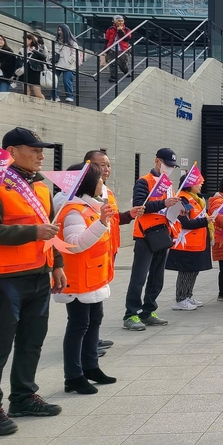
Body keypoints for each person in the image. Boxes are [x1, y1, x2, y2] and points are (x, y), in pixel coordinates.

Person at [0, 127, 66, 436]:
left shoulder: (42, 187)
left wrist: (57, 264)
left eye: (41, 149)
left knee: (32, 341)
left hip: (38, 274)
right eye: (32, 149)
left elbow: (50, 230)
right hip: (4, 278)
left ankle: (22, 397)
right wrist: (32, 233)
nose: (40, 154)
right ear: (10, 151)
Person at [53, 162, 117, 395]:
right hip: (79, 279)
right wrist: (101, 224)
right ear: (89, 183)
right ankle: (73, 375)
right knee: (78, 325)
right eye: (100, 179)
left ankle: (91, 367)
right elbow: (75, 244)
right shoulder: (74, 211)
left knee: (94, 321)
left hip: (94, 277)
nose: (103, 182)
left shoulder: (91, 207)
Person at [83, 149, 143, 357]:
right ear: (88, 166)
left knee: (97, 301)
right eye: (101, 165)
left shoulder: (106, 191)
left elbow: (113, 218)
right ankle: (85, 344)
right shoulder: (82, 194)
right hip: (89, 253)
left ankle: (93, 338)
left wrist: (128, 215)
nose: (106, 169)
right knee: (85, 303)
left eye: (108, 165)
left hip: (108, 251)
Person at [124, 148, 180, 331]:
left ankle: (148, 311)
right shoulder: (144, 182)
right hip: (145, 234)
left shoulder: (168, 184)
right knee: (139, 276)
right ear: (157, 161)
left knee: (157, 277)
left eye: (172, 166)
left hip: (163, 233)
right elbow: (139, 206)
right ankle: (131, 313)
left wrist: (179, 207)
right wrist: (163, 204)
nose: (170, 168)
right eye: (167, 164)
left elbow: (170, 204)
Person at [167, 176, 213, 310]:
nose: (200, 185)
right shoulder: (181, 199)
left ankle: (188, 295)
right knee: (186, 271)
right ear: (190, 184)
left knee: (194, 271)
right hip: (185, 243)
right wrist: (205, 221)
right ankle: (180, 299)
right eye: (198, 183)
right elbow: (184, 222)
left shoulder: (197, 199)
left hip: (197, 242)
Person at [54, 24, 81, 103]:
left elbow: (75, 53)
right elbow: (52, 51)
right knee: (54, 79)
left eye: (61, 30)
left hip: (68, 64)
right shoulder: (55, 40)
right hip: (57, 62)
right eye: (58, 30)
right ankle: (55, 96)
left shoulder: (72, 42)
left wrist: (70, 61)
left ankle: (69, 95)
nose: (59, 32)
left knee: (67, 80)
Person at [16, 33, 47, 99]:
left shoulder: (38, 48)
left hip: (34, 71)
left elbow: (43, 57)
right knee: (26, 93)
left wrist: (34, 51)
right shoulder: (22, 49)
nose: (24, 41)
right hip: (24, 71)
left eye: (25, 40)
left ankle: (43, 106)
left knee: (38, 94)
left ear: (30, 40)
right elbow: (18, 60)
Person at [105, 15, 131, 83]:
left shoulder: (126, 29)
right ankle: (113, 76)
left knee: (123, 63)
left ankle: (126, 71)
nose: (120, 22)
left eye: (122, 21)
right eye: (119, 21)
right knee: (112, 62)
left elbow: (126, 38)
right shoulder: (110, 29)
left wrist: (120, 31)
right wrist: (105, 50)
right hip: (112, 48)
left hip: (122, 49)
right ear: (115, 22)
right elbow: (107, 39)